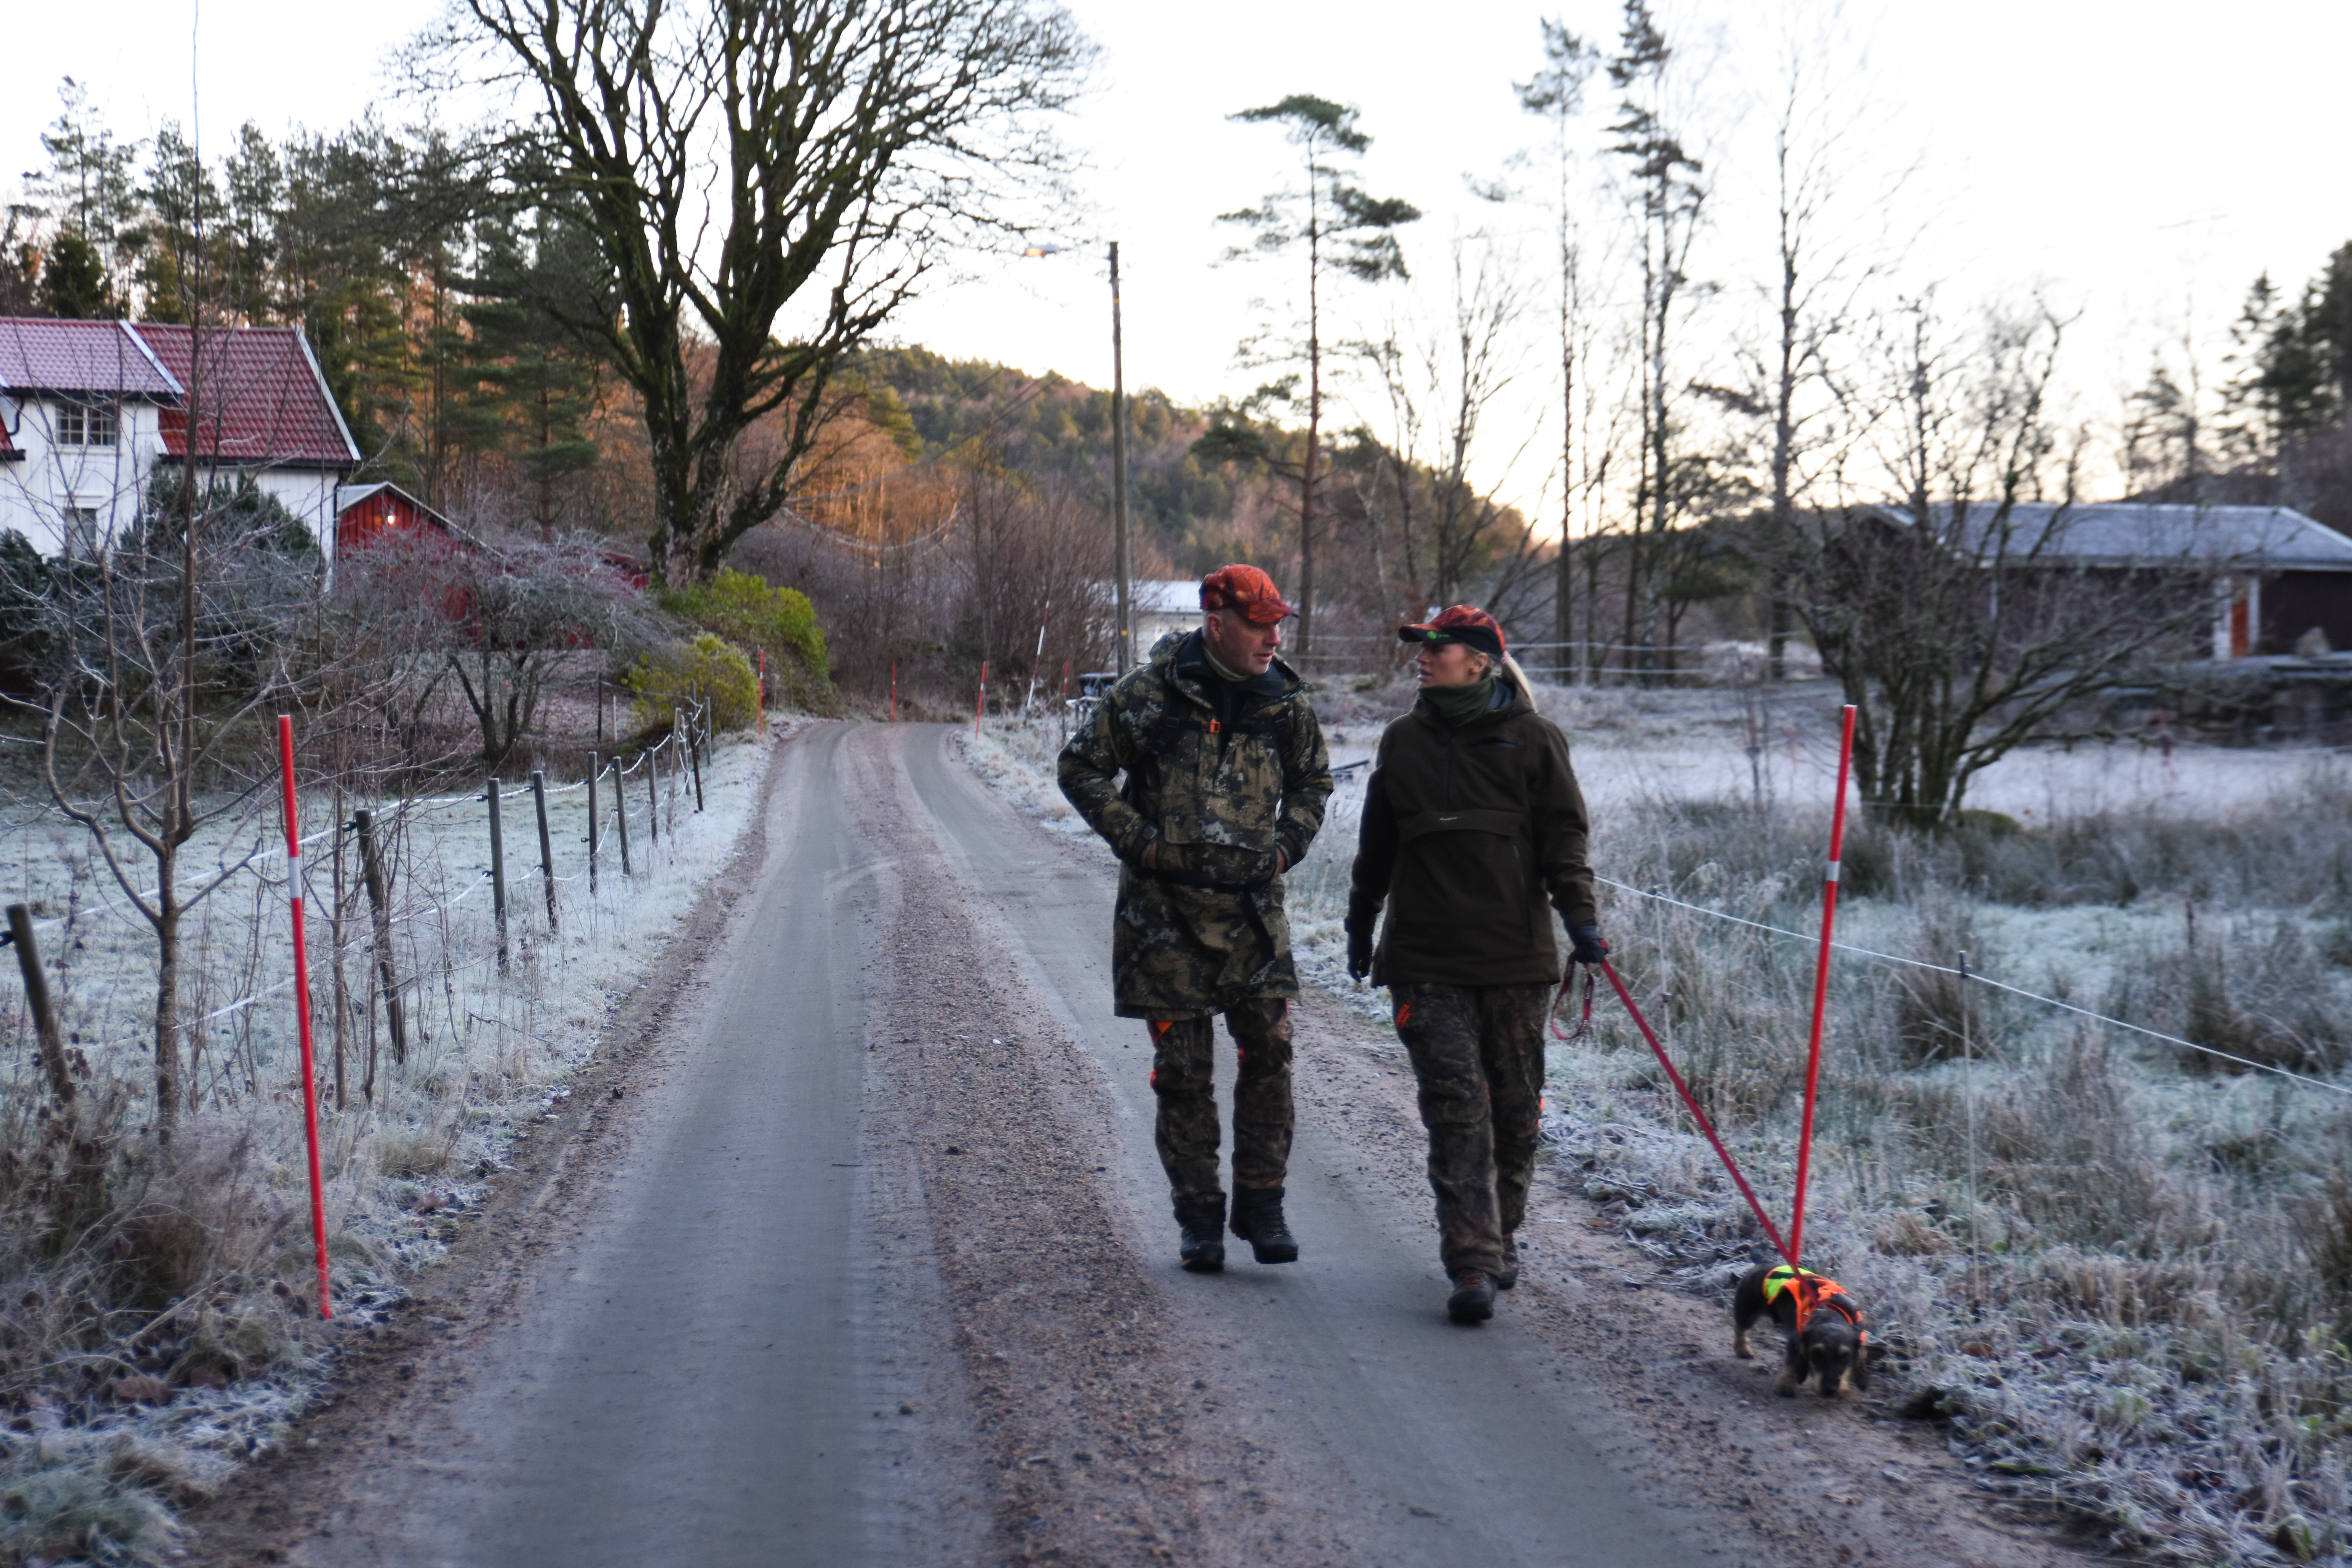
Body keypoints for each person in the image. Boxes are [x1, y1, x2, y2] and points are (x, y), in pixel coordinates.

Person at [1059, 565, 1335, 1272]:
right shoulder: (1148, 696)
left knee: (1270, 1053)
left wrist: (1284, 849)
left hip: (1252, 916)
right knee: (1183, 1070)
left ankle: (1262, 1201)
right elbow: (1080, 767)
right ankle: (1201, 1218)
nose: (1274, 637)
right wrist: (1140, 841)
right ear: (1218, 625)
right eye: (1260, 624)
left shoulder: (1285, 704)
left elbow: (1312, 782)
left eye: (1279, 624)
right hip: (1164, 918)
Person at [1343, 606, 1607, 1325]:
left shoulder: (1535, 742)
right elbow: (1376, 848)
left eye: (1439, 648)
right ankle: (1472, 1262)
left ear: (1481, 662)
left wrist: (1581, 921)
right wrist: (1360, 924)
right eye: (1421, 648)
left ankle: (1500, 1231)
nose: (1422, 659)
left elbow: (1564, 840)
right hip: (1424, 959)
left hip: (1516, 961)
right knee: (1457, 1109)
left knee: (1515, 1114)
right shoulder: (1401, 742)